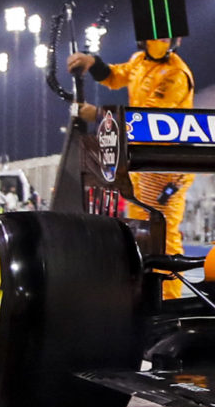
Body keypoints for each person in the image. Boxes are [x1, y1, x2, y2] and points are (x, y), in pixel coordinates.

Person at [70, 34, 196, 265]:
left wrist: (98, 115)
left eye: (168, 38)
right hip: (140, 162)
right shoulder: (139, 61)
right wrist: (92, 63)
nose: (162, 42)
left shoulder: (176, 74)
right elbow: (116, 76)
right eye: (158, 36)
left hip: (165, 167)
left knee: (163, 236)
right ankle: (146, 293)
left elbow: (150, 120)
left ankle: (168, 297)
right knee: (141, 234)